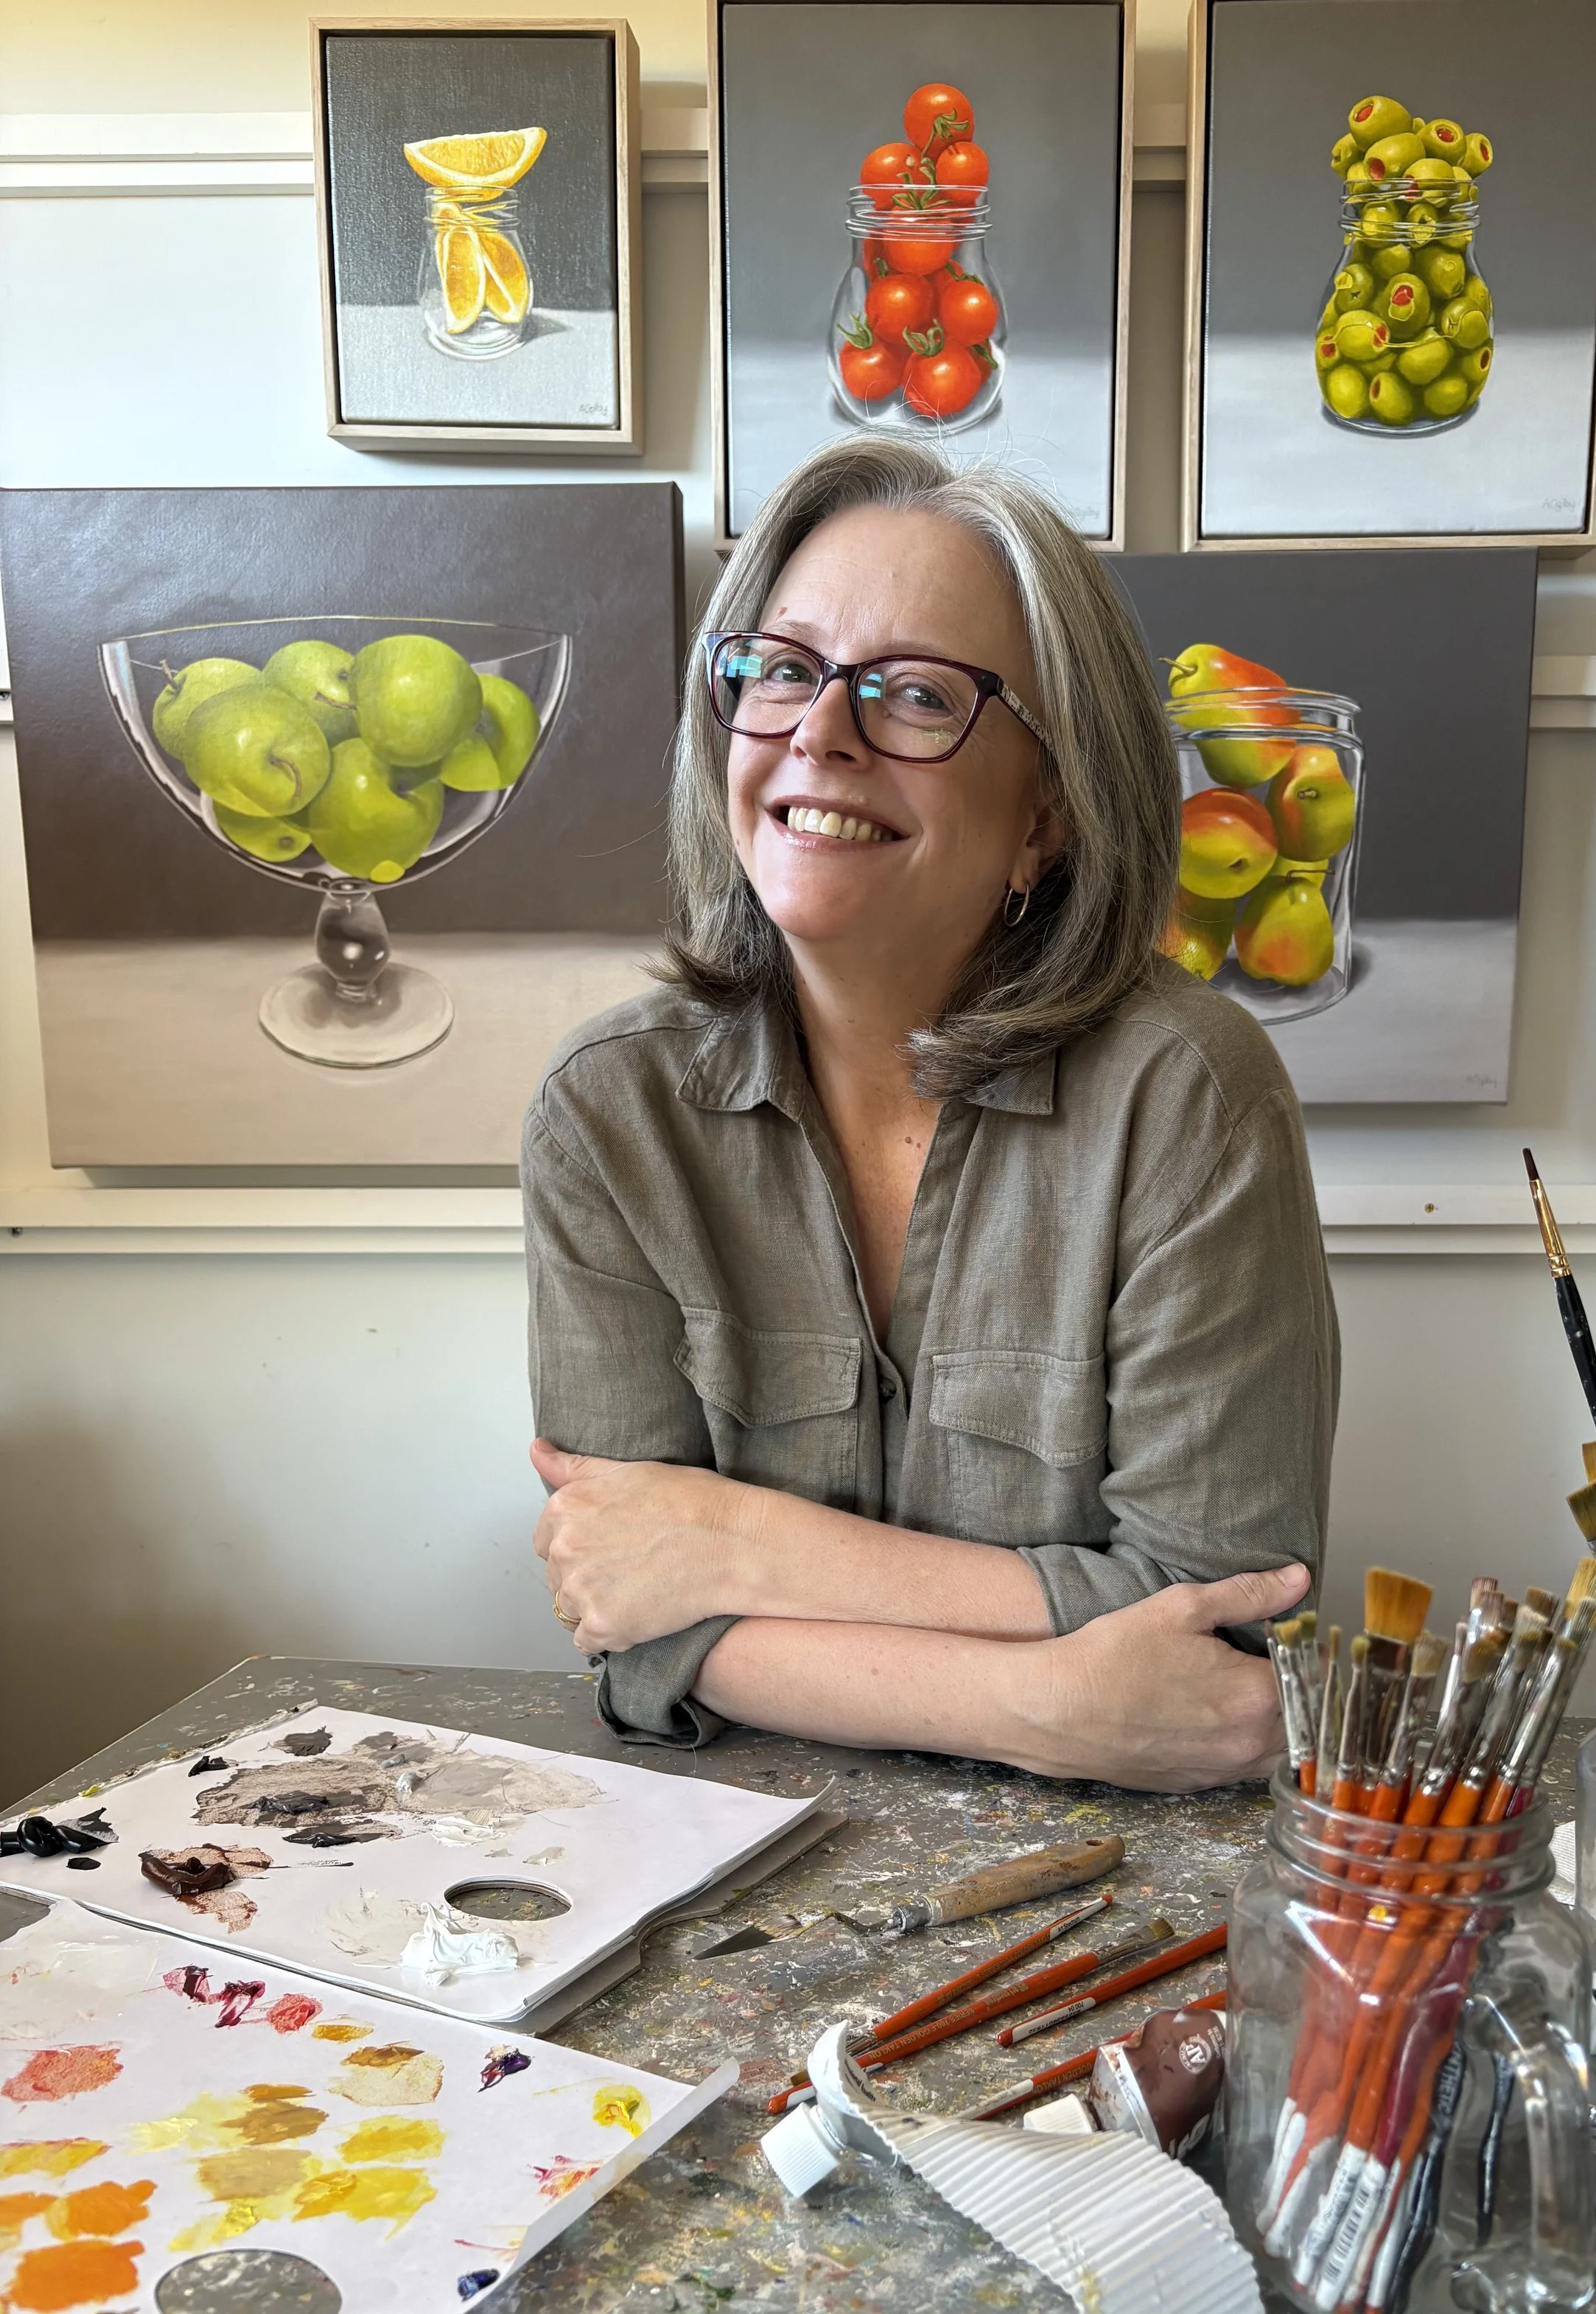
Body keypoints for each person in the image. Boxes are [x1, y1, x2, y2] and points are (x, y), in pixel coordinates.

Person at [521, 436, 1338, 1793]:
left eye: (915, 695)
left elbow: (1219, 1625)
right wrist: (1036, 1704)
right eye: (780, 670)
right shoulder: (610, 1109)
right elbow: (628, 1626)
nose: (819, 735)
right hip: (705, 1861)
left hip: (1120, 1898)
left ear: (1049, 816)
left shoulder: (1187, 1097)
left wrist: (738, 1548)